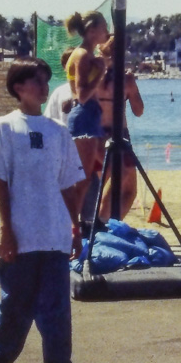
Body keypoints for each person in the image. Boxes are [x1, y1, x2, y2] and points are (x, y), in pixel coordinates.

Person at [0, 59, 85, 363]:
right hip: (20, 236)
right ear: (18, 86)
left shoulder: (58, 131)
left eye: (45, 81)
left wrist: (76, 225)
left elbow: (69, 184)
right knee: (17, 308)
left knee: (56, 311)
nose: (42, 87)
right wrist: (7, 231)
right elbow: (1, 182)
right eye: (35, 81)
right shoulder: (5, 128)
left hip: (53, 235)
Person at [64, 11, 109, 220]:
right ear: (92, 31)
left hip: (90, 115)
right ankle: (71, 226)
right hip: (84, 115)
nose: (107, 32)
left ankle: (90, 221)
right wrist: (100, 72)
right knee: (83, 180)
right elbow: (81, 95)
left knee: (106, 168)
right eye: (104, 28)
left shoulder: (87, 54)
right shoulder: (82, 55)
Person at [96, 36, 145, 221]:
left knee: (106, 186)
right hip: (118, 134)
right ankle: (104, 225)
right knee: (129, 190)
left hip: (96, 135)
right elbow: (138, 110)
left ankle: (104, 224)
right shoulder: (126, 79)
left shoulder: (93, 77)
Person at [44, 47, 76, 127]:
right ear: (65, 67)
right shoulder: (60, 93)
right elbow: (49, 121)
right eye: (72, 63)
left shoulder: (95, 90)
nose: (76, 67)